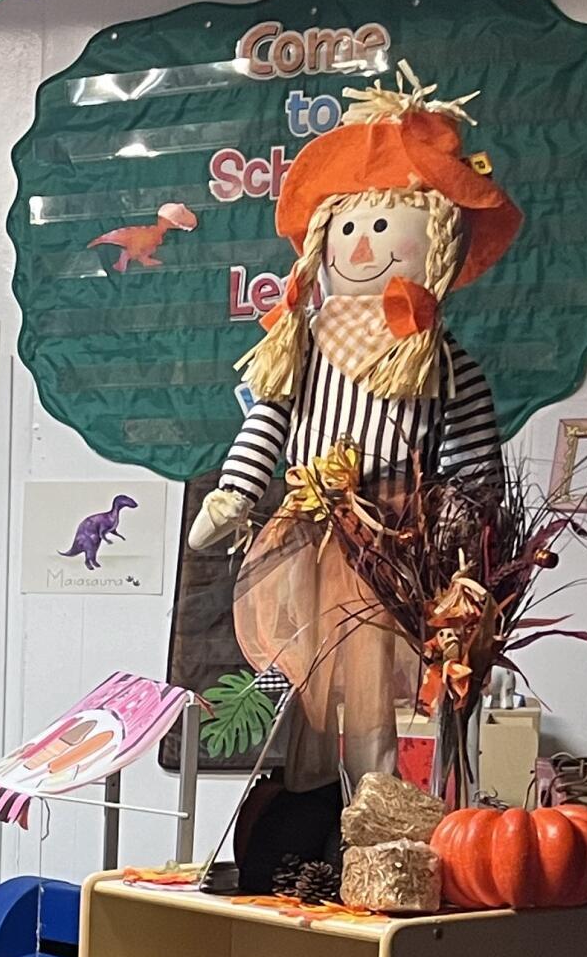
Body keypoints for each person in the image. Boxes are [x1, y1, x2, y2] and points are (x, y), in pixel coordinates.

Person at [189, 67, 520, 789]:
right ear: (324, 240)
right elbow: (267, 422)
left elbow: (471, 460)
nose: (364, 244)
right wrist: (236, 495)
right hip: (307, 528)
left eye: (381, 227)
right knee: (303, 682)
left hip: (394, 534)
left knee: (376, 682)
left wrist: (471, 537)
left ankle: (373, 810)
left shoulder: (440, 357)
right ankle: (303, 810)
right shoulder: (298, 343)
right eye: (350, 227)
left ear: (431, 242)